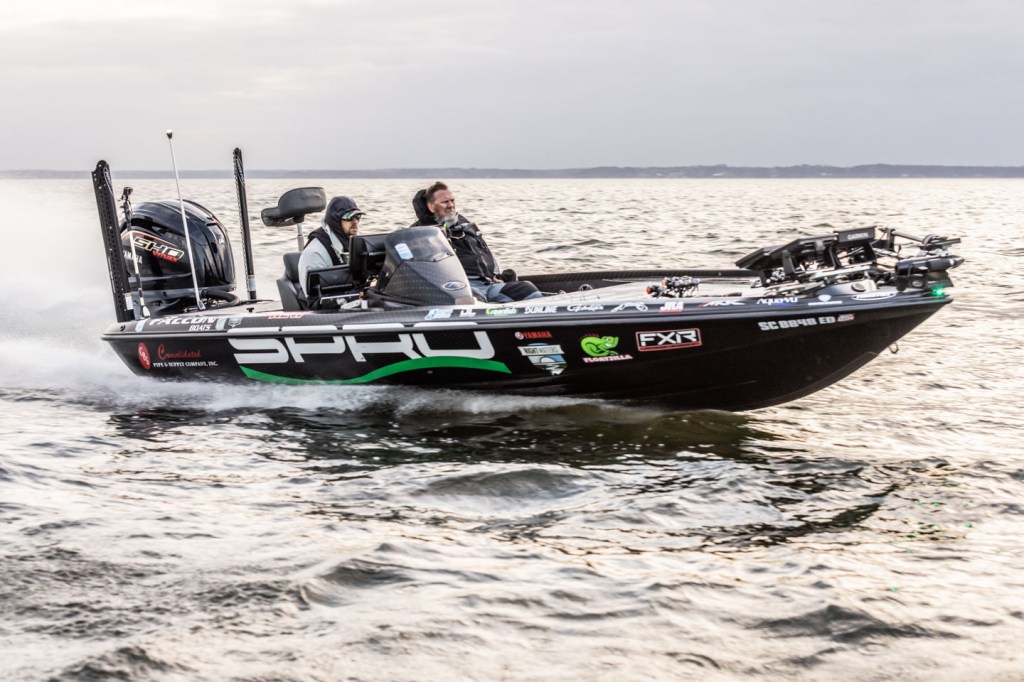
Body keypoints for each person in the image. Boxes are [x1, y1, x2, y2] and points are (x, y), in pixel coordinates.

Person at [410, 181, 542, 302]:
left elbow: (484, 251)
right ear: (431, 206)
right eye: (445, 202)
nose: (451, 205)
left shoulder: (465, 225)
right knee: (472, 301)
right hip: (458, 288)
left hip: (487, 284)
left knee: (526, 288)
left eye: (452, 200)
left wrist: (495, 274)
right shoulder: (419, 233)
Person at [298, 195, 364, 297]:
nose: (355, 222)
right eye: (349, 218)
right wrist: (355, 297)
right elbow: (315, 298)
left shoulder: (358, 240)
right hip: (327, 304)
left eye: (357, 216)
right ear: (336, 220)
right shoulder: (315, 253)